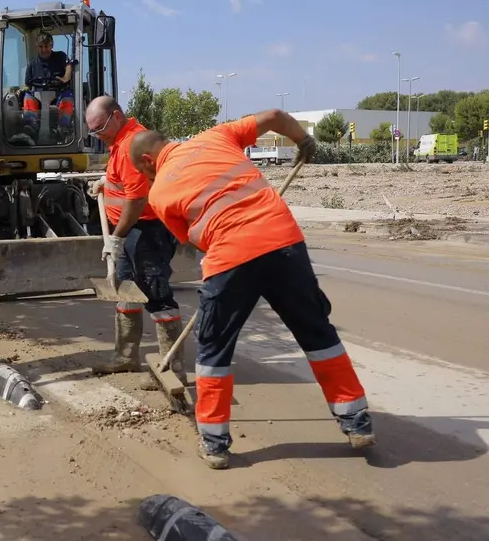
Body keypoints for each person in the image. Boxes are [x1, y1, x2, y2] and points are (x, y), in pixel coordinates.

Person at [130, 110, 374, 469]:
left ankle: (214, 443)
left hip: (231, 259)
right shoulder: (216, 136)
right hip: (285, 244)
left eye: (143, 171)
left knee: (215, 347)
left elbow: (196, 240)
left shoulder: (161, 192)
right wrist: (303, 142)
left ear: (149, 161)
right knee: (318, 333)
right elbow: (275, 115)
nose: (146, 176)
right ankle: (356, 423)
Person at [83, 96, 183, 375]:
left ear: (116, 116)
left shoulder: (131, 144)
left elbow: (137, 199)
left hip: (146, 231)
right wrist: (107, 182)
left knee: (155, 294)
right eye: (93, 131)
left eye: (100, 128)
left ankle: (172, 368)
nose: (98, 135)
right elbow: (126, 182)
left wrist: (117, 237)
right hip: (132, 231)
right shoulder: (121, 139)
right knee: (125, 292)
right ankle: (125, 357)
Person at [22, 31, 74, 140]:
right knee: (28, 97)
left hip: (58, 94)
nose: (44, 49)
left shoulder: (60, 56)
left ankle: (63, 127)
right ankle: (31, 125)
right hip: (38, 95)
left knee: (67, 98)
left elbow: (69, 67)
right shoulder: (32, 64)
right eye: (41, 46)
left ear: (51, 45)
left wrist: (64, 79)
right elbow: (28, 83)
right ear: (37, 47)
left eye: (46, 46)